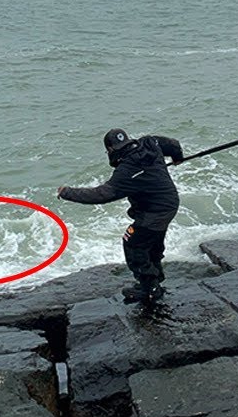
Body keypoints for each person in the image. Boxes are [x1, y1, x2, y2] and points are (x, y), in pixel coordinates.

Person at [58, 128, 184, 303]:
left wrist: (68, 193)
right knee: (152, 242)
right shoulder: (150, 142)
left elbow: (102, 194)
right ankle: (155, 278)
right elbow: (173, 145)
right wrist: (178, 158)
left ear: (110, 150)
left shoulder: (126, 171)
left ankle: (150, 288)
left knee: (133, 243)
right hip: (170, 203)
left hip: (153, 212)